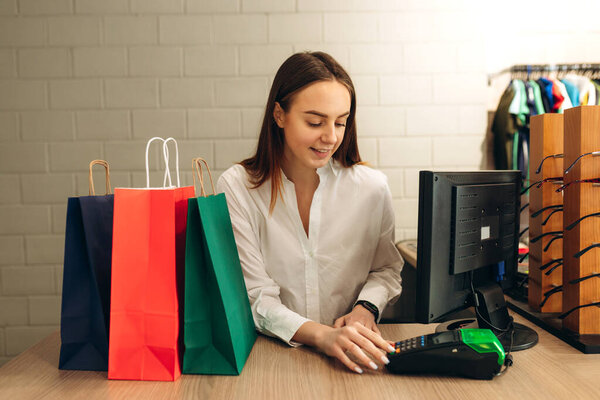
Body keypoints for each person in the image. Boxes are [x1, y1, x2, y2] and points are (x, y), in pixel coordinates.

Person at [216, 51, 404, 374]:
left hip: (351, 361)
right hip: (271, 361)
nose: (330, 137)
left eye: (341, 122)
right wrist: (324, 336)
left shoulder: (372, 188)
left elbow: (386, 270)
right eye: (315, 122)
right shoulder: (237, 188)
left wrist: (365, 308)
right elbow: (256, 297)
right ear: (279, 114)